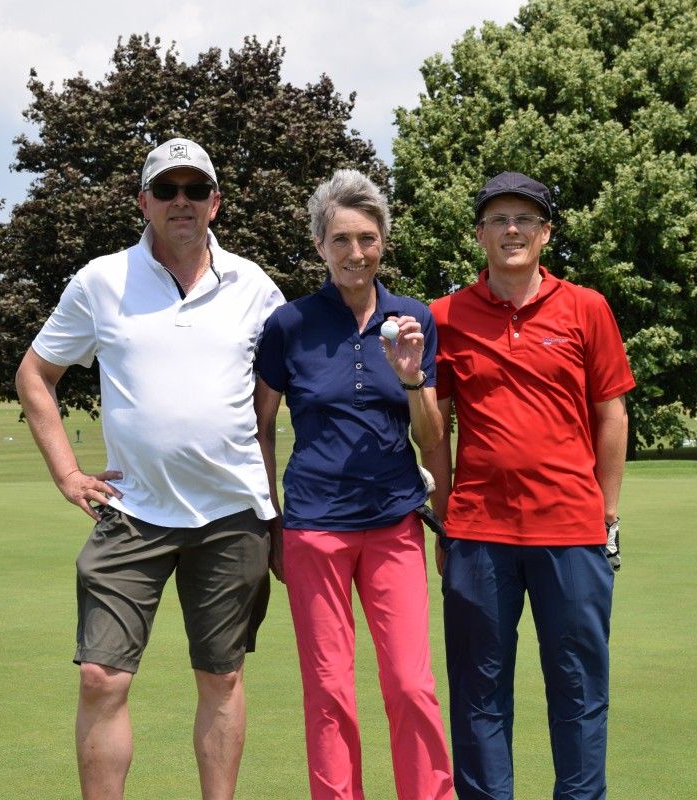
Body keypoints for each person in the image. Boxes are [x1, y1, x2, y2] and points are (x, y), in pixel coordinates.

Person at [14, 137, 284, 800]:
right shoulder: (101, 281)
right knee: (100, 677)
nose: (181, 201)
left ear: (215, 202)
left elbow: (278, 397)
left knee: (221, 677)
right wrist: (67, 474)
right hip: (132, 512)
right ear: (144, 202)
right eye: (166, 189)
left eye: (195, 189)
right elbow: (35, 374)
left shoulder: (255, 287)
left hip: (232, 513)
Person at [426, 171, 636, 800]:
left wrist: (608, 515)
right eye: (498, 219)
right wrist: (444, 518)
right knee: (478, 694)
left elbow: (611, 414)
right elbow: (434, 431)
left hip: (572, 532)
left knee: (579, 692)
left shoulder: (586, 307)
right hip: (478, 533)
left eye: (525, 219)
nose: (511, 229)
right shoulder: (445, 316)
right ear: (479, 234)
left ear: (546, 233)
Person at [254, 169, 453, 800]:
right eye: (340, 239)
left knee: (411, 685)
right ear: (320, 245)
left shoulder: (413, 318)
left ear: (383, 242)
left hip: (395, 524)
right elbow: (261, 427)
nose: (355, 252)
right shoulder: (289, 325)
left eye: (367, 238)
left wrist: (413, 377)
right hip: (314, 529)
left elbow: (431, 435)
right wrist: (272, 520)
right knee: (330, 690)